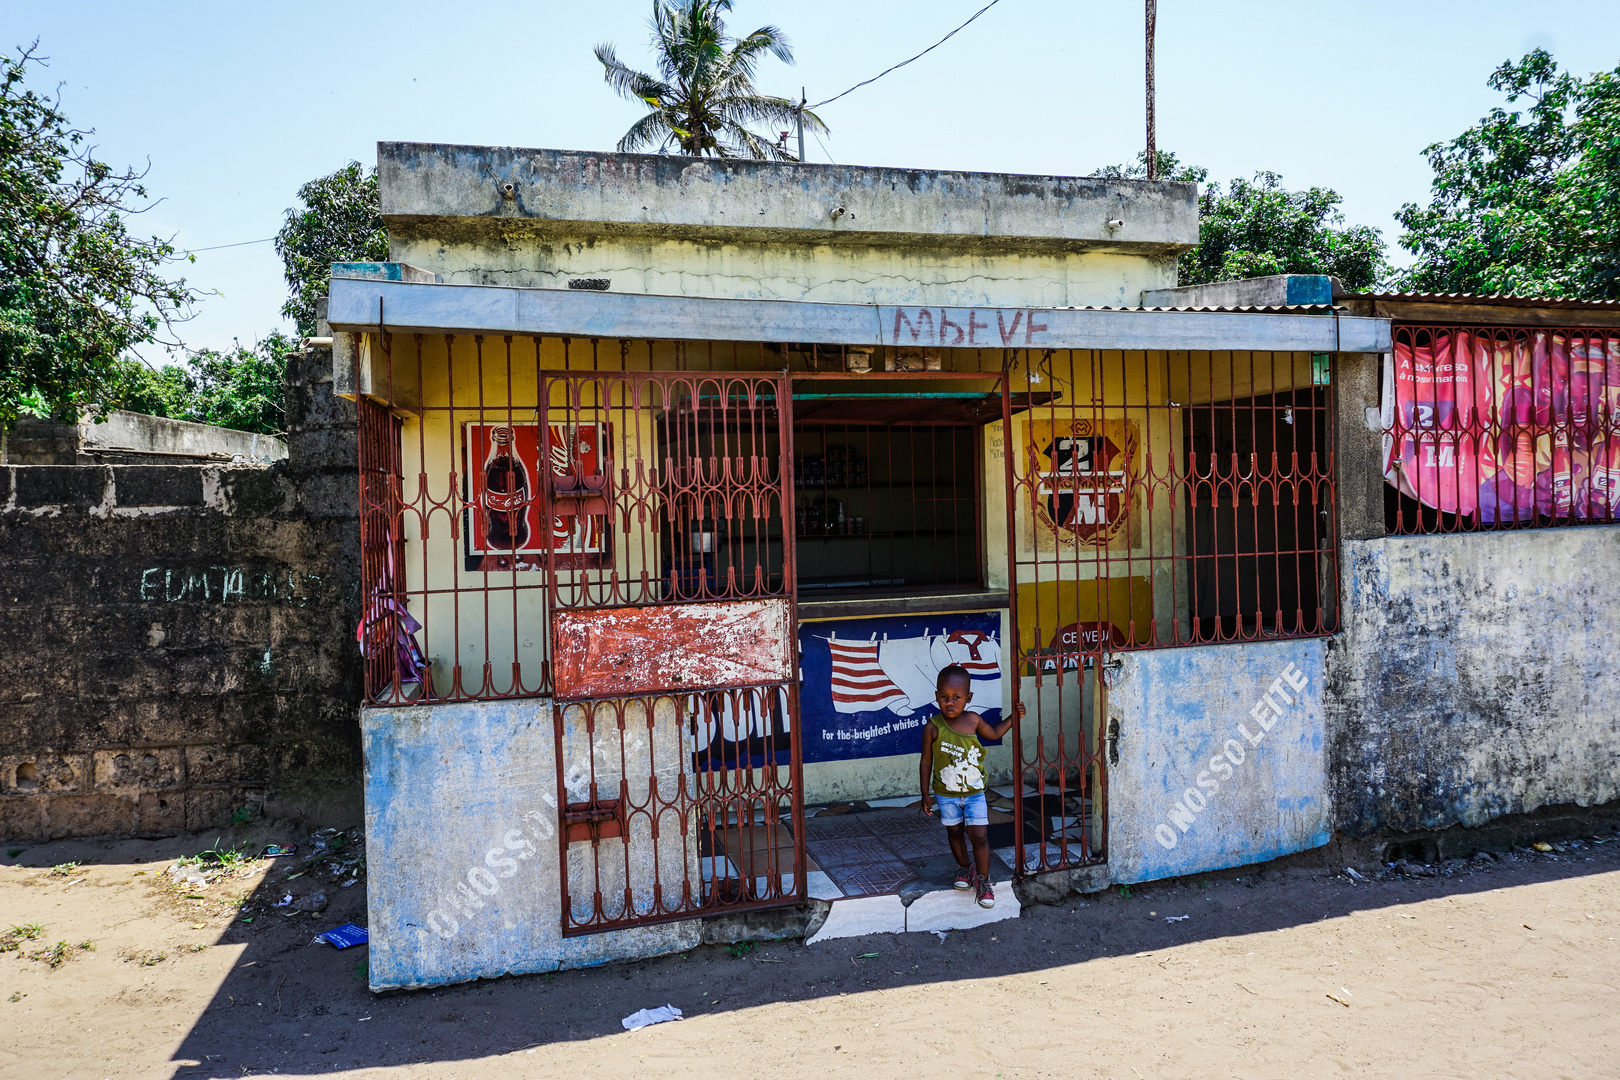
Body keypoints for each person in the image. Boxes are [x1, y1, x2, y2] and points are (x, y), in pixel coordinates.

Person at [918, 664, 1025, 908]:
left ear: (969, 698)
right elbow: (926, 761)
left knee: (979, 834)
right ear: (936, 696)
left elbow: (995, 733)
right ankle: (965, 869)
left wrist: (1013, 718)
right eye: (944, 697)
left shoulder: (974, 720)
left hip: (974, 792)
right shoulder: (933, 727)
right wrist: (925, 793)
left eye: (956, 697)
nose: (950, 703)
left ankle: (984, 881)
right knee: (954, 832)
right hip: (946, 795)